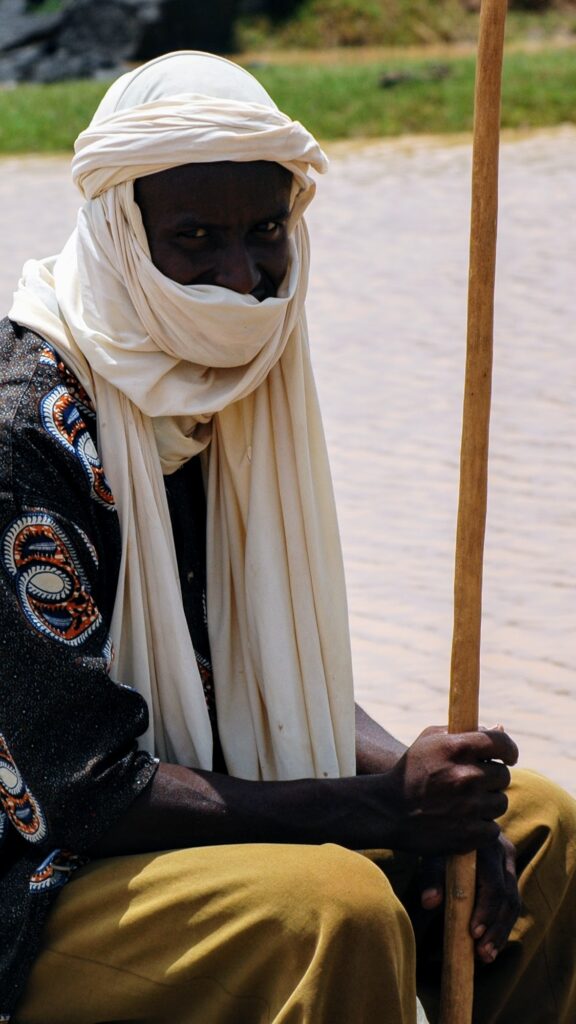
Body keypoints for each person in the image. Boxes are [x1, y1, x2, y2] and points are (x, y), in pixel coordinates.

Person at [0, 50, 574, 1024]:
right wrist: (387, 809)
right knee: (336, 910)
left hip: (201, 813)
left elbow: (263, 665)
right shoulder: (31, 434)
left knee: (541, 824)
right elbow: (86, 787)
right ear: (122, 233)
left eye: (266, 231)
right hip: (48, 880)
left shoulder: (234, 388)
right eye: (195, 237)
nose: (243, 276)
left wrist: (434, 789)